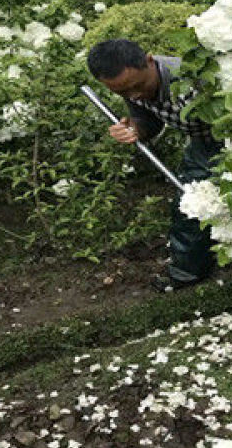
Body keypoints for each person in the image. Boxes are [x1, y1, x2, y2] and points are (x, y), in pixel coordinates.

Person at [86, 38, 222, 292]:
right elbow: (148, 123)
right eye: (123, 93)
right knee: (190, 206)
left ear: (150, 60)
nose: (134, 96)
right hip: (202, 145)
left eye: (137, 86)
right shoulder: (131, 86)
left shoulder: (194, 77)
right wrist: (134, 130)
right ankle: (186, 274)